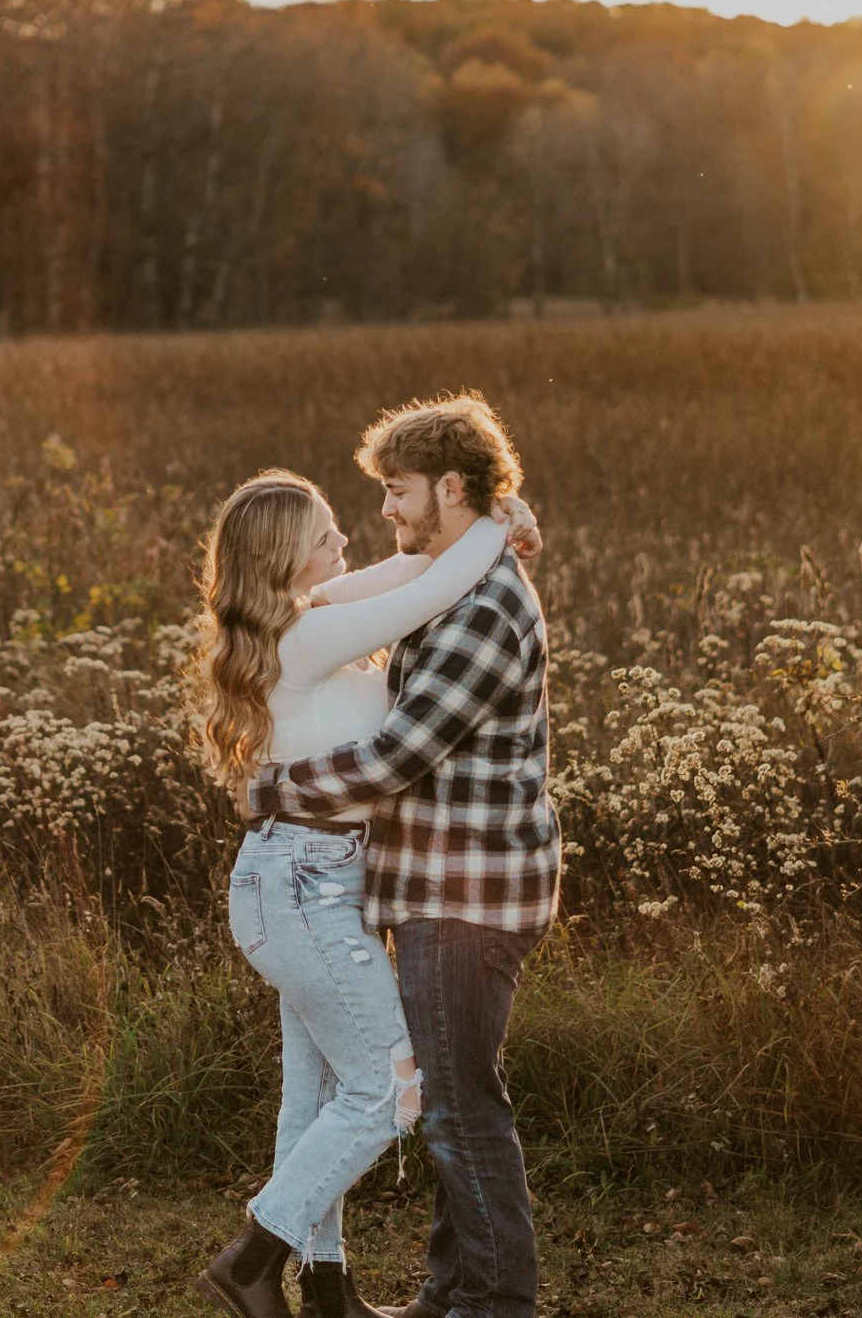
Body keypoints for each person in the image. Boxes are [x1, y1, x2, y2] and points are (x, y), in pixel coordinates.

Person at [191, 462, 541, 1318]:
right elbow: (435, 584)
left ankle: (327, 1288)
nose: (346, 539)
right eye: (323, 536)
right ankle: (253, 1255)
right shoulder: (306, 639)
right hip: (301, 884)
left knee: (312, 1096)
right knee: (391, 1089)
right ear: (286, 558)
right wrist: (495, 524)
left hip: (313, 881)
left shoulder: (309, 618)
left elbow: (415, 568)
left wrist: (498, 521)